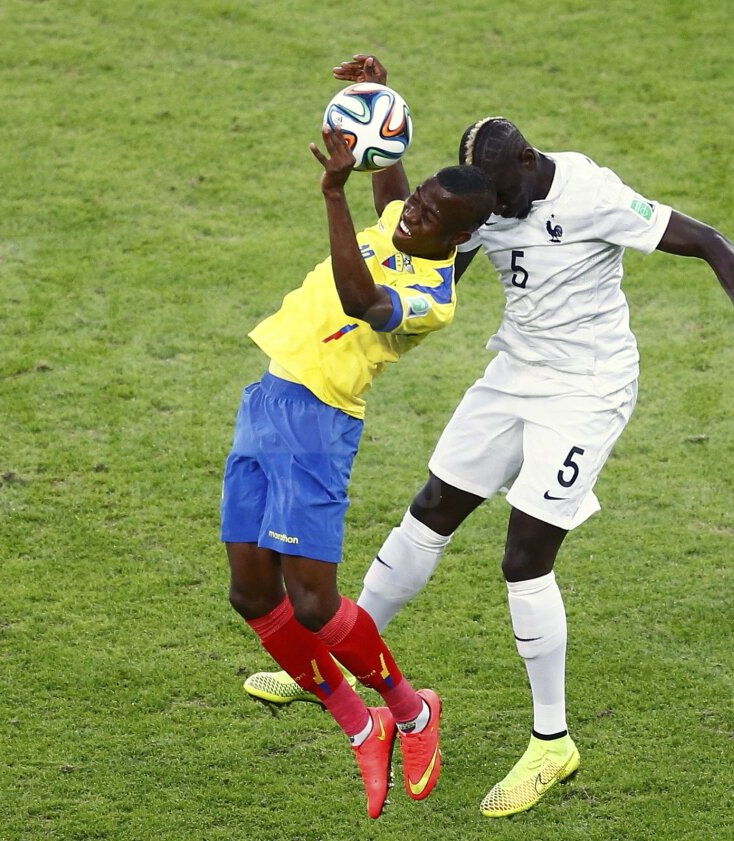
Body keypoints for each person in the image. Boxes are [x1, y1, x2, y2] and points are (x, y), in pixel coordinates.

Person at [242, 54, 734, 819]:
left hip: (586, 390)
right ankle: (341, 656)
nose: (492, 216)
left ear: (525, 160)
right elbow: (415, 233)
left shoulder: (591, 194)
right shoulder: (485, 202)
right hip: (514, 373)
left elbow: (708, 239)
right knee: (431, 510)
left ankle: (553, 741)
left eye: (497, 198)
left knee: (524, 558)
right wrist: (379, 124)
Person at [222, 105, 497, 819]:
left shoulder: (431, 298)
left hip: (319, 425)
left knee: (314, 603)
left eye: (428, 214)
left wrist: (333, 195)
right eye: (417, 199)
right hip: (267, 401)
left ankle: (413, 711)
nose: (410, 215)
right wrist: (379, 101)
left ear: (457, 238)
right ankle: (362, 724)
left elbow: (358, 297)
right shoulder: (405, 219)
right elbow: (392, 188)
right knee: (251, 594)